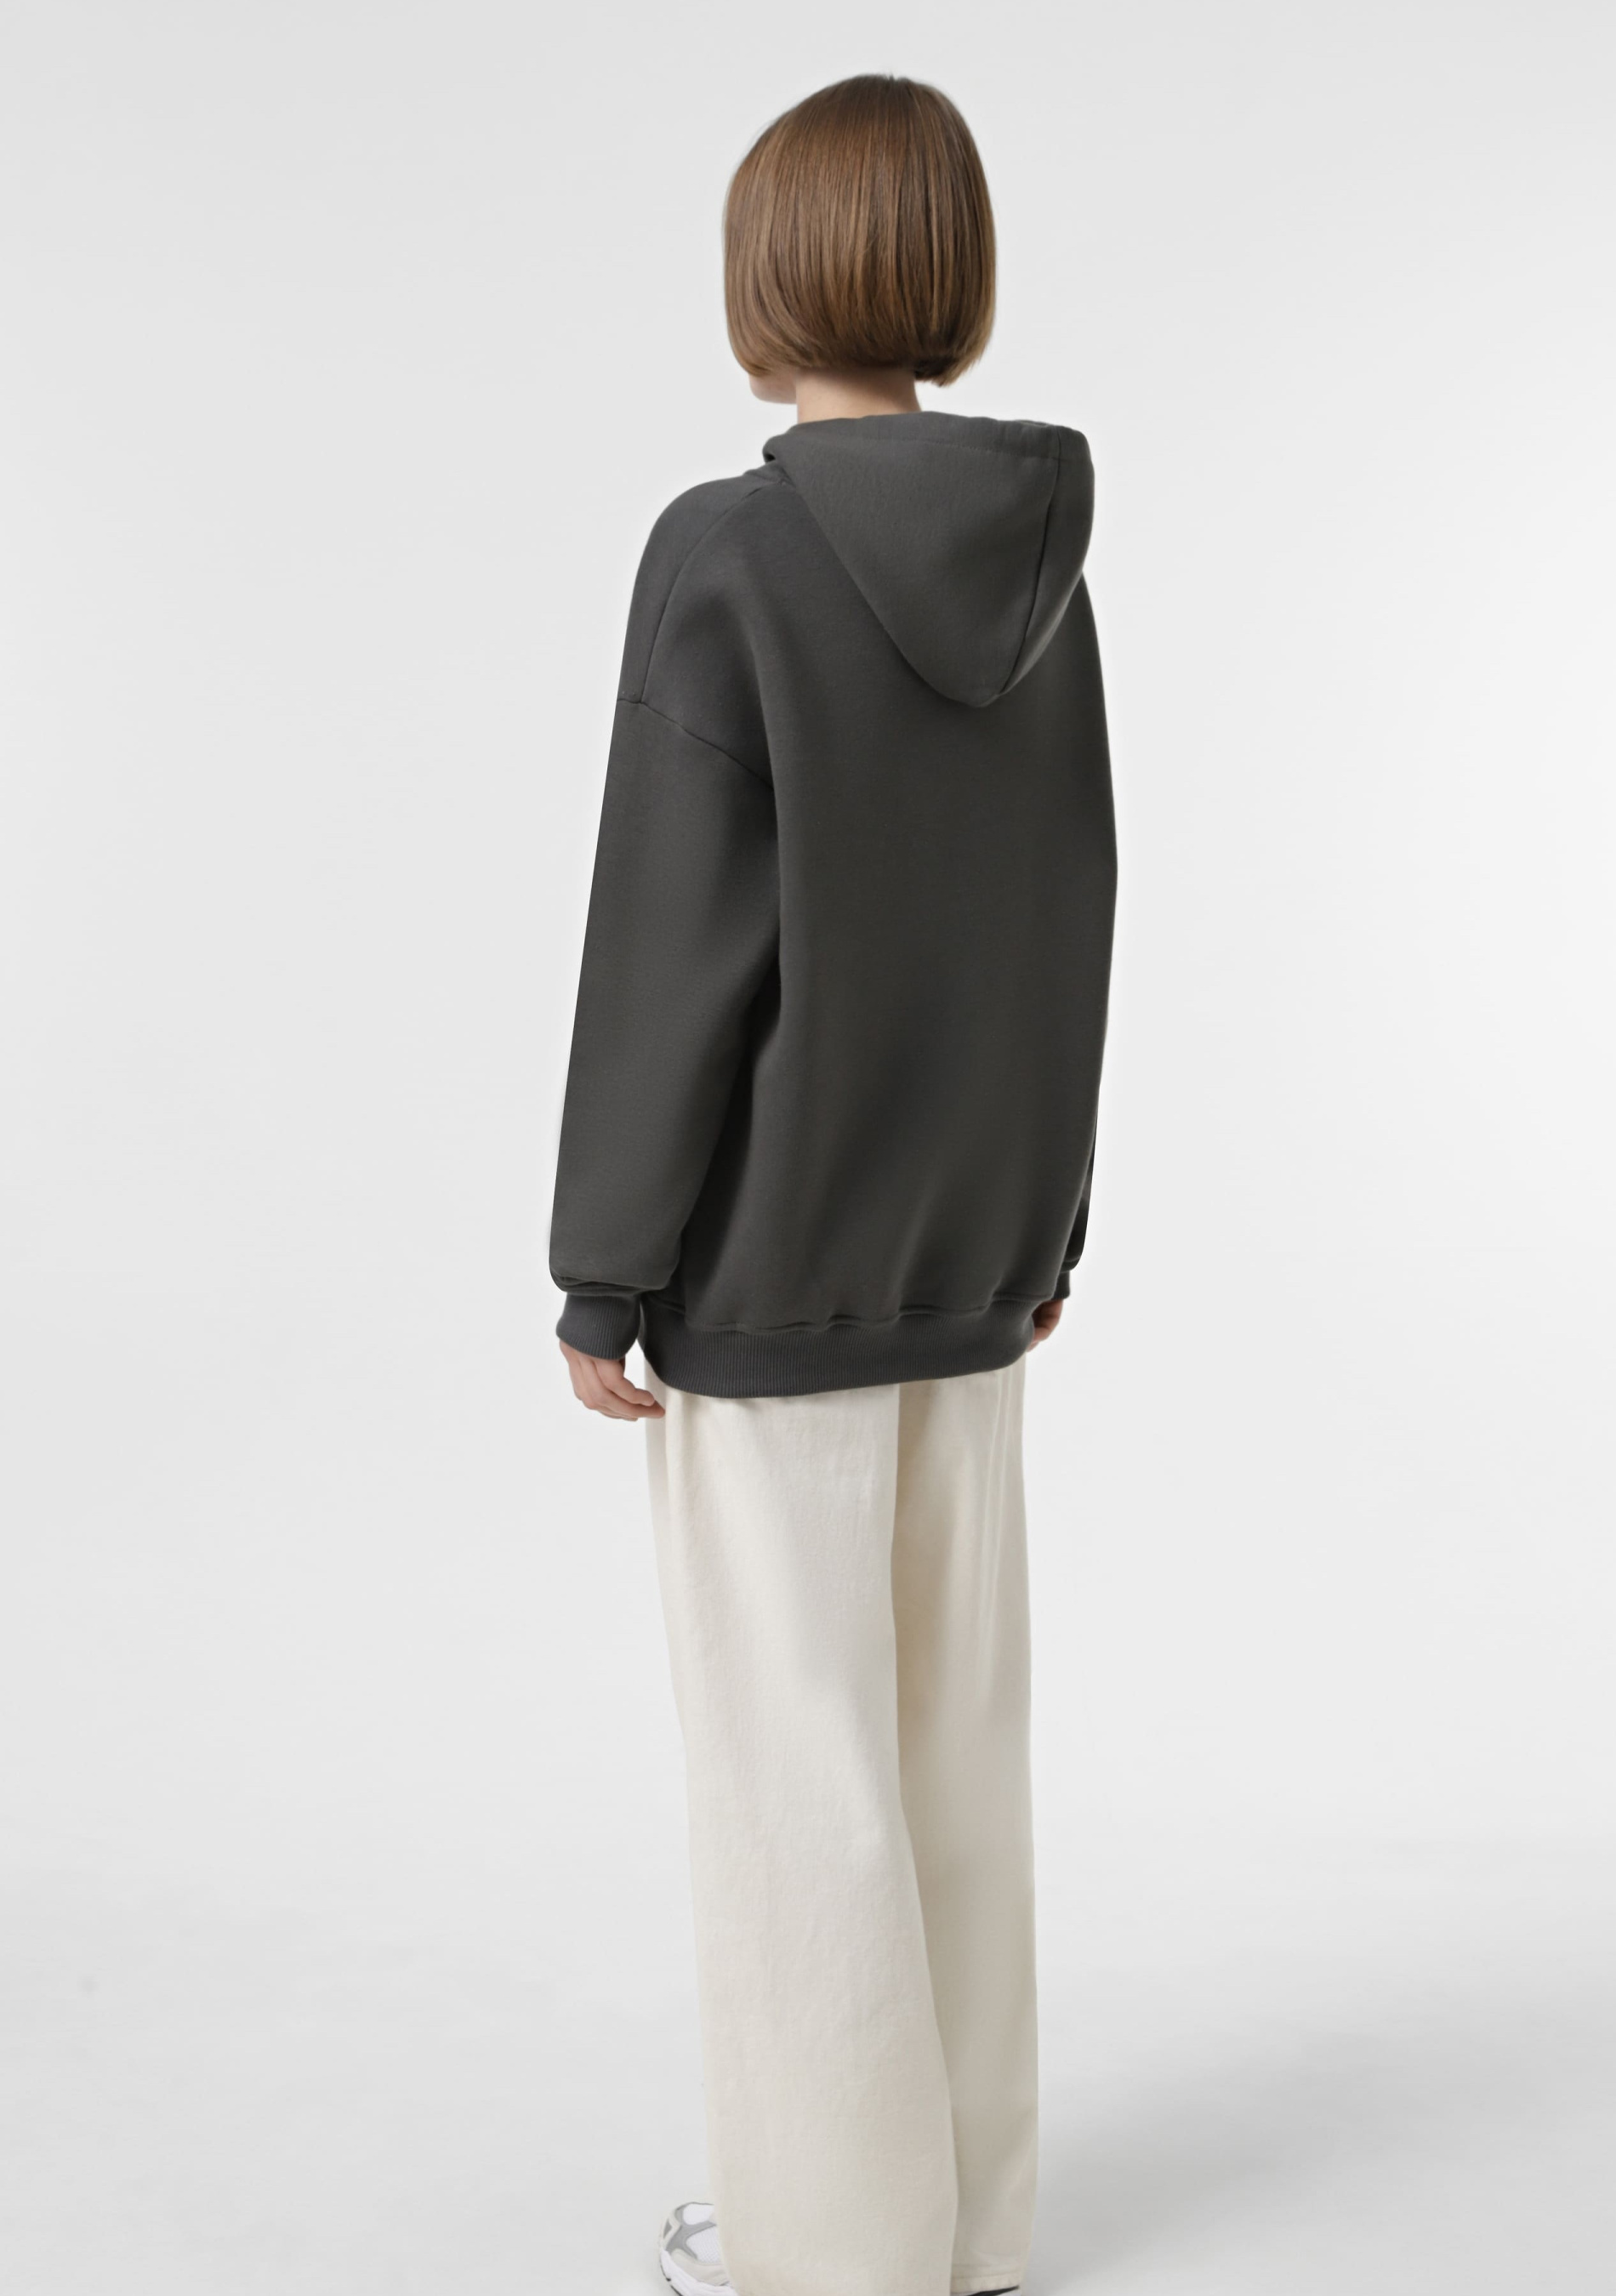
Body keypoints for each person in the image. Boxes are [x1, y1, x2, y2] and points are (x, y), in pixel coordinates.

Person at [550, 72, 1115, 2296]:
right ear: (952, 276)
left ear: (762, 278)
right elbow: (1062, 911)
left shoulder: (730, 551)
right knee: (956, 1758)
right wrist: (1045, 1226)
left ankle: (829, 2251)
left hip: (772, 1280)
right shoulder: (1047, 576)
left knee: (801, 1786)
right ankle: (964, 2227)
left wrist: (605, 1269)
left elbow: (671, 935)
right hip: (975, 1276)